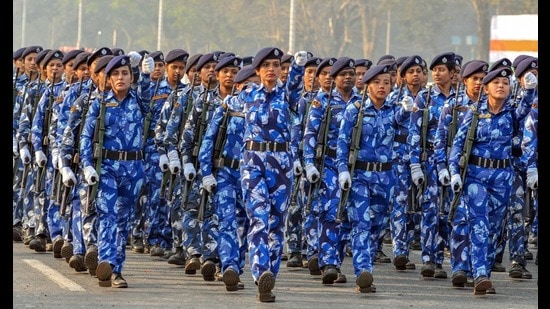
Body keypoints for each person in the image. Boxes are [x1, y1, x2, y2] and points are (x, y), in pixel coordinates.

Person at [448, 67, 537, 295]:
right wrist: (454, 173)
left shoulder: (512, 114)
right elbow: (458, 145)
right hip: (476, 176)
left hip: (502, 178)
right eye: (495, 82)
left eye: (505, 83)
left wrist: (529, 89)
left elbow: (525, 109)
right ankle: (479, 274)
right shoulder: (475, 113)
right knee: (479, 223)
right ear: (486, 88)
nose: (500, 86)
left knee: (495, 230)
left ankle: (481, 272)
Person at [233, 47, 305, 302]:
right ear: (257, 70)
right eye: (266, 65)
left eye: (276, 65)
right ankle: (260, 271)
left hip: (281, 163)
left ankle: (269, 278)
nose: (272, 69)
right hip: (253, 162)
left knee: (276, 222)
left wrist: (297, 66)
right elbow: (225, 105)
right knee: (259, 218)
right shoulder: (247, 94)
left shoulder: (287, 95)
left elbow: (296, 85)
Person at [79, 54, 155, 288]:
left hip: (133, 170)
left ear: (130, 77)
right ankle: (108, 264)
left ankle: (117, 267)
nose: (120, 78)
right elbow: (85, 136)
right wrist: (87, 165)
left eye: (125, 73)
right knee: (108, 216)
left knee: (124, 221)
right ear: (108, 79)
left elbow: (148, 90)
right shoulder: (100, 103)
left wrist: (143, 72)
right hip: (107, 169)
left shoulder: (139, 101)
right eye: (115, 74)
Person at [336, 63, 410, 293]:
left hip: (385, 176)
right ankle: (363, 272)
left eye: (386, 83)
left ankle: (344, 253)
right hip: (359, 175)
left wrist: (408, 114)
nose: (382, 87)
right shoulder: (355, 109)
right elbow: (342, 142)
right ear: (368, 85)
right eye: (377, 82)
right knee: (362, 223)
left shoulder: (394, 111)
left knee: (376, 225)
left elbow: (404, 139)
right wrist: (342, 170)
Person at [303, 57, 361, 286]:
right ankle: (329, 263)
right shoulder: (322, 101)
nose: (347, 77)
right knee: (331, 211)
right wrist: (308, 163)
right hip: (328, 164)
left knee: (349, 216)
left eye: (351, 74)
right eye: (342, 74)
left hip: (355, 166)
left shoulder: (361, 101)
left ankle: (333, 256)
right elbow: (310, 134)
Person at [197, 59, 253, 292]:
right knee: (227, 220)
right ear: (238, 86)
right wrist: (206, 172)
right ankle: (229, 266)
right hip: (227, 173)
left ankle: (236, 265)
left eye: (255, 85)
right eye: (247, 85)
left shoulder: (267, 110)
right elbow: (208, 141)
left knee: (247, 224)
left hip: (253, 176)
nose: (251, 89)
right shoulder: (228, 107)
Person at [434, 59, 488, 288]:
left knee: (482, 223)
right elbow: (440, 142)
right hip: (458, 171)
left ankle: (478, 268)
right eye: (474, 79)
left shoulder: (492, 106)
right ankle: (459, 267)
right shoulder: (453, 106)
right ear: (465, 80)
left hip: (482, 173)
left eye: (483, 79)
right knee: (460, 219)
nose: (479, 83)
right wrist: (443, 169)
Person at [409, 52, 458, 279]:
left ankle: (450, 259)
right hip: (430, 161)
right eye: (435, 70)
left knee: (450, 212)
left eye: (442, 70)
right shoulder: (425, 98)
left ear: (452, 73)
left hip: (456, 162)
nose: (437, 74)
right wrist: (415, 164)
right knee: (431, 210)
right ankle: (430, 258)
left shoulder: (461, 98)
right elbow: (415, 133)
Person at [387, 55, 426, 271]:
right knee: (400, 203)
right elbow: (389, 122)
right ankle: (400, 251)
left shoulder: (429, 98)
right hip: (399, 156)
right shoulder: (394, 97)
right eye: (411, 72)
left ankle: (413, 244)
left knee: (418, 206)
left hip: (422, 156)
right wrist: (403, 110)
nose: (415, 75)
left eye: (419, 71)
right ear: (403, 76)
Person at [286, 55, 320, 269]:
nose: (314, 77)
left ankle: (312, 249)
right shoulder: (297, 100)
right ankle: (294, 249)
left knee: (313, 205)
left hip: (316, 160)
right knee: (295, 206)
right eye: (309, 72)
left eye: (318, 73)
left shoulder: (325, 101)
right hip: (294, 156)